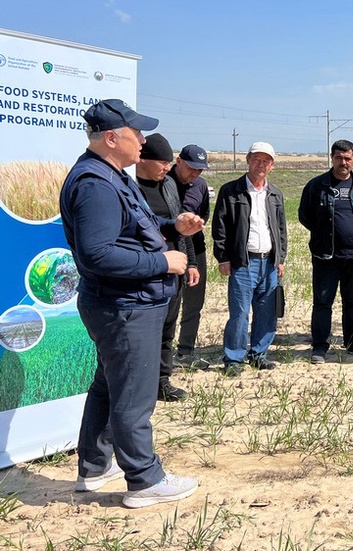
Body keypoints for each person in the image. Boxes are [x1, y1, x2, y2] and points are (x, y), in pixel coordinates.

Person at [61, 99, 200, 508]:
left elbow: (131, 227)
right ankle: (144, 479)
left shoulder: (110, 175)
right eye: (135, 133)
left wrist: (172, 226)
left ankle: (94, 466)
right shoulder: (95, 185)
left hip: (124, 302)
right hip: (124, 305)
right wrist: (163, 261)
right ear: (111, 137)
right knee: (134, 396)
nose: (142, 140)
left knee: (109, 385)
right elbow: (98, 254)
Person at [212, 142, 287, 376]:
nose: (260, 164)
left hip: (269, 262)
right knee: (240, 313)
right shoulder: (231, 191)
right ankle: (234, 358)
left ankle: (259, 355)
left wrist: (281, 258)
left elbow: (281, 229)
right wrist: (223, 257)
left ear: (272, 165)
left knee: (267, 312)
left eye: (266, 161)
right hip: (243, 262)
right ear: (247, 160)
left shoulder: (275, 193)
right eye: (256, 159)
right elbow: (220, 227)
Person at [134, 133, 197, 402]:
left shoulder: (169, 184)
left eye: (169, 163)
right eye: (162, 162)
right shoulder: (129, 187)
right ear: (143, 160)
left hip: (174, 269)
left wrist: (191, 262)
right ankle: (141, 384)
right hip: (145, 271)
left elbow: (181, 227)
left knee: (168, 328)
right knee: (145, 331)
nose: (167, 168)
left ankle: (162, 381)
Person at [299, 139, 353, 362]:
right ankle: (320, 346)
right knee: (323, 302)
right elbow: (305, 216)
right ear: (331, 158)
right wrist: (324, 234)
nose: (343, 162)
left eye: (347, 158)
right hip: (325, 256)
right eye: (339, 157)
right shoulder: (317, 185)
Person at [170, 145, 211, 368]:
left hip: (197, 250)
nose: (195, 173)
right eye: (191, 168)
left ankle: (186, 351)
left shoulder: (201, 186)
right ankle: (162, 352)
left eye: (200, 170)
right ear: (178, 161)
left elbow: (204, 214)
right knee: (169, 303)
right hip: (170, 250)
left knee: (194, 302)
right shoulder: (164, 183)